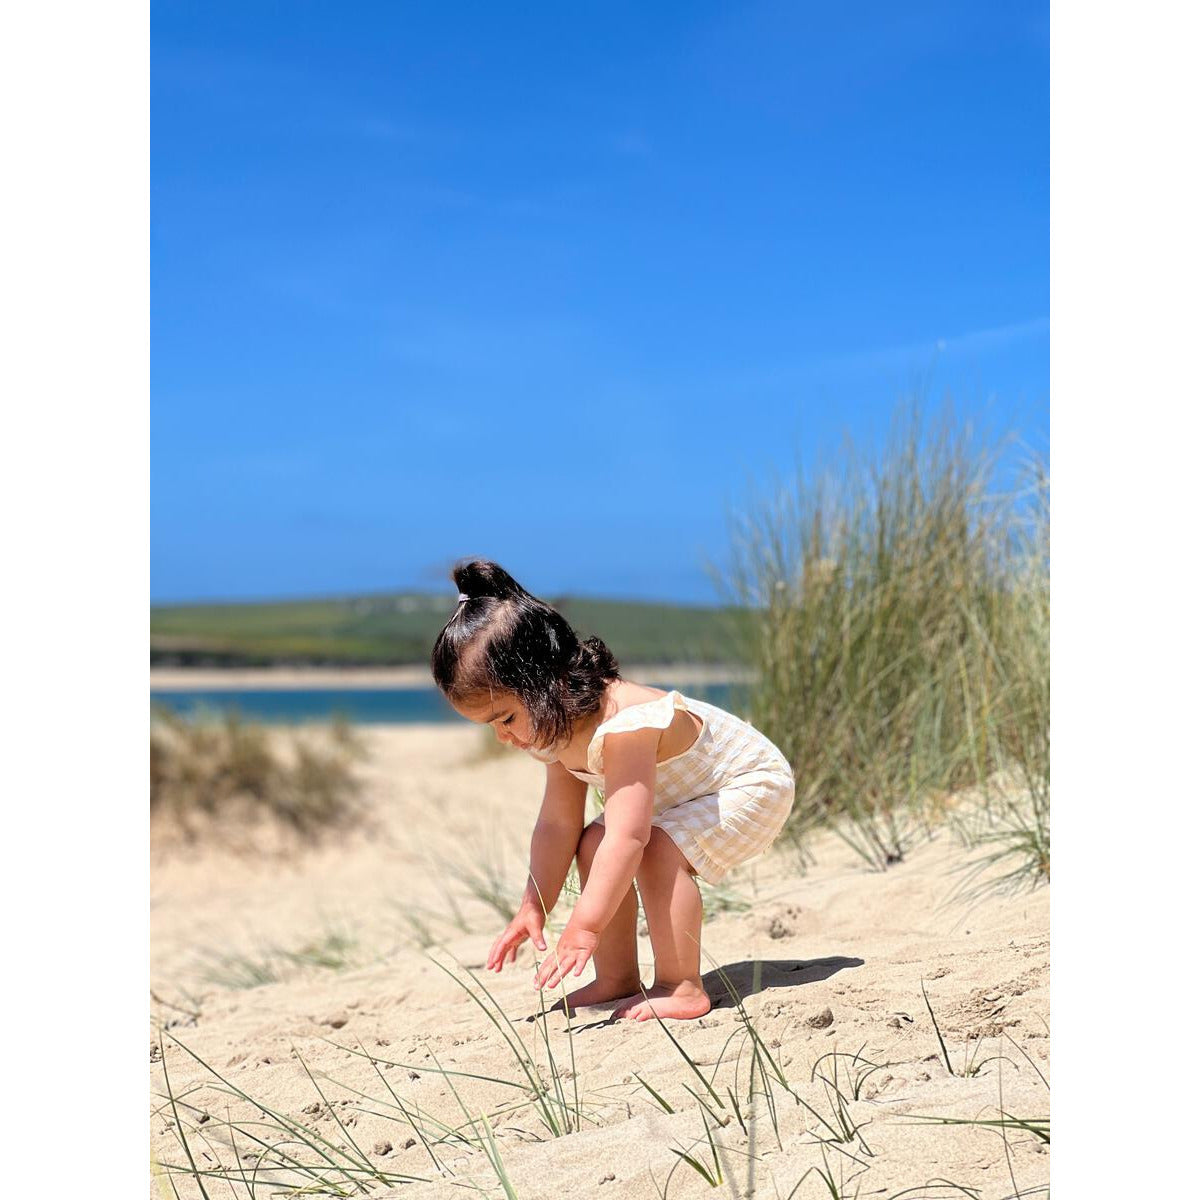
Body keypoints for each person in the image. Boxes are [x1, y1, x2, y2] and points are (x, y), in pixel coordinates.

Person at [430, 559, 795, 1021]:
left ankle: (681, 986)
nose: (503, 736)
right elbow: (558, 823)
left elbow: (632, 838)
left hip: (749, 785)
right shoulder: (555, 728)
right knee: (591, 841)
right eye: (490, 727)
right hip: (680, 796)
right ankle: (617, 978)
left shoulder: (626, 724)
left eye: (505, 718)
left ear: (549, 682)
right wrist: (534, 903)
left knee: (656, 849)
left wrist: (585, 925)